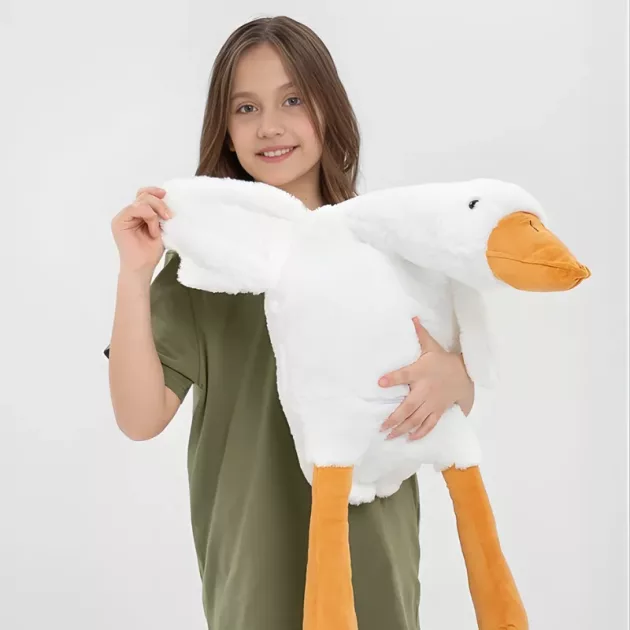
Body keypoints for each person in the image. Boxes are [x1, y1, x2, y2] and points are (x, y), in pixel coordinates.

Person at [104, 15, 475, 630]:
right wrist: (133, 274)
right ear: (225, 131)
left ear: (330, 108)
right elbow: (140, 418)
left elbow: (465, 381)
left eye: (293, 100)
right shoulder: (203, 269)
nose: (269, 126)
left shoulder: (390, 247)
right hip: (254, 580)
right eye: (245, 107)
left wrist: (454, 376)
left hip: (372, 574)